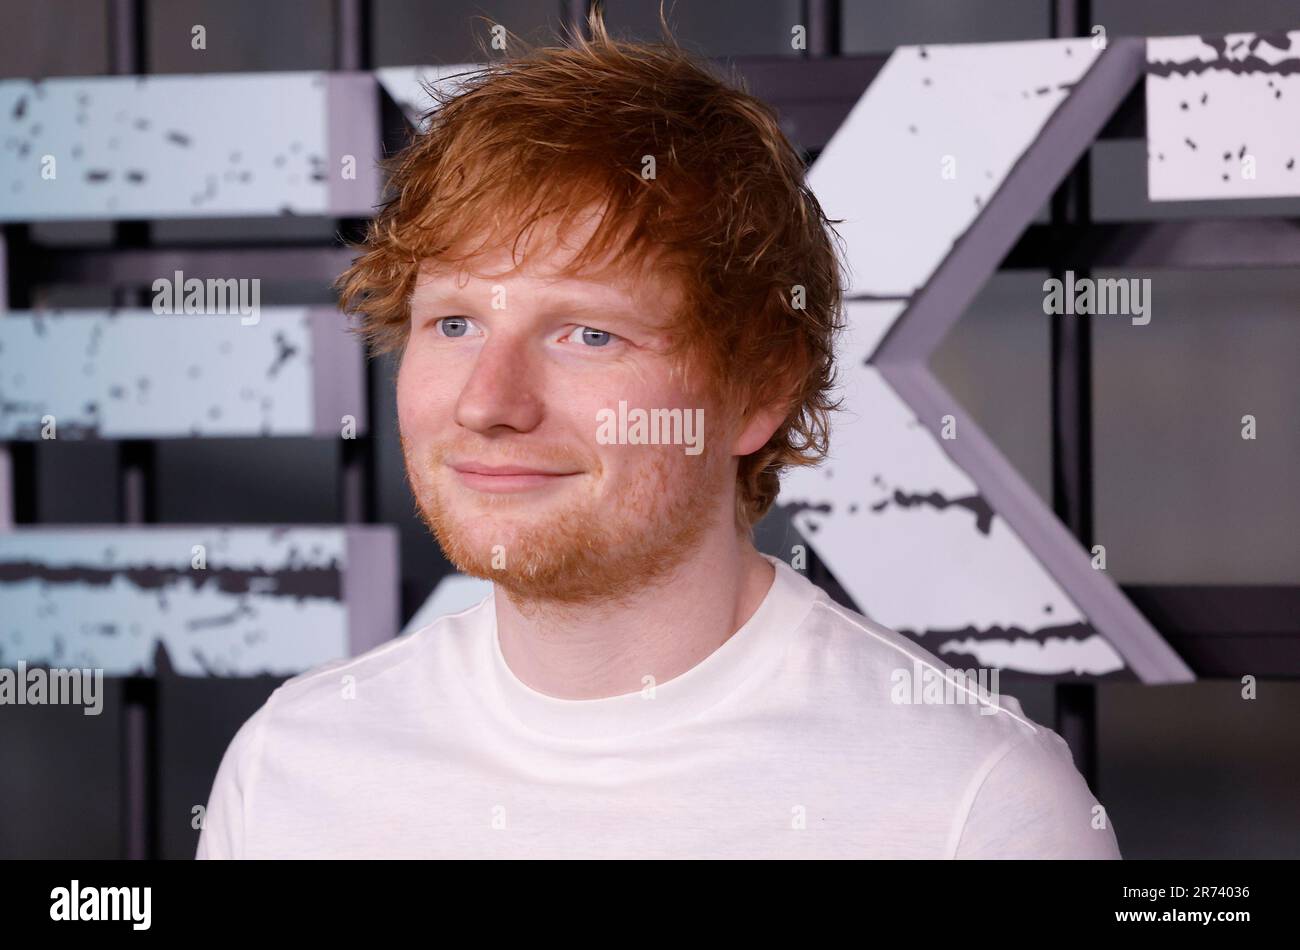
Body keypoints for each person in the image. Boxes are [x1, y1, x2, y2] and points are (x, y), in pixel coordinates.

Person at [196, 8, 1120, 859]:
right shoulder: (290, 768)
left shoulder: (975, 805)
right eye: (455, 324)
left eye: (588, 334)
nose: (489, 402)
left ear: (760, 386)